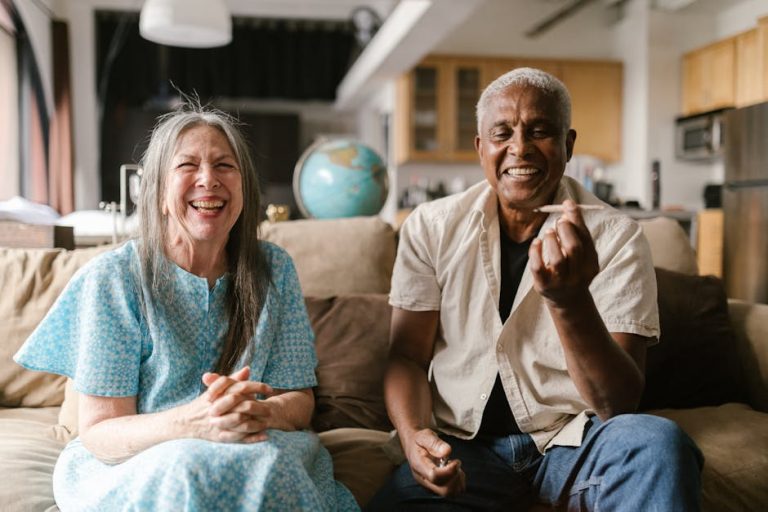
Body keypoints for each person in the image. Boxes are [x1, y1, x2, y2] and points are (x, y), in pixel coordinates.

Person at [366, 68, 703, 511]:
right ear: (480, 147)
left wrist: (570, 301)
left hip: (573, 442)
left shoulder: (616, 237)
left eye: (540, 131)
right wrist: (413, 439)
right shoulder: (431, 226)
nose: (519, 148)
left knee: (657, 443)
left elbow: (618, 403)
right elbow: (407, 356)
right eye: (501, 133)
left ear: (568, 144)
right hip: (463, 448)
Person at [14, 104, 359, 511]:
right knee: (188, 465)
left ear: (244, 189)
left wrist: (256, 413)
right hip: (143, 456)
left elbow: (298, 400)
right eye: (188, 165)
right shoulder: (113, 278)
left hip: (254, 444)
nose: (208, 180)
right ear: (159, 193)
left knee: (270, 463)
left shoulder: (274, 270)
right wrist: (194, 423)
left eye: (224, 165)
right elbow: (101, 432)